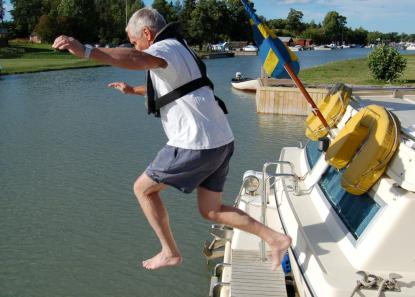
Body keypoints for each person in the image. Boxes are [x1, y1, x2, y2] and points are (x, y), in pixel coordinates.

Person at [52, 7, 291, 271]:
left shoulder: (162, 48)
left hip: (195, 142)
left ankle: (170, 251)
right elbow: (177, 88)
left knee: (142, 189)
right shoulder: (180, 48)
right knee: (211, 210)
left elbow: (136, 58)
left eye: (135, 41)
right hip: (221, 140)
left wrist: (87, 51)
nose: (136, 47)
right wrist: (133, 91)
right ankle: (275, 238)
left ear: (147, 33)